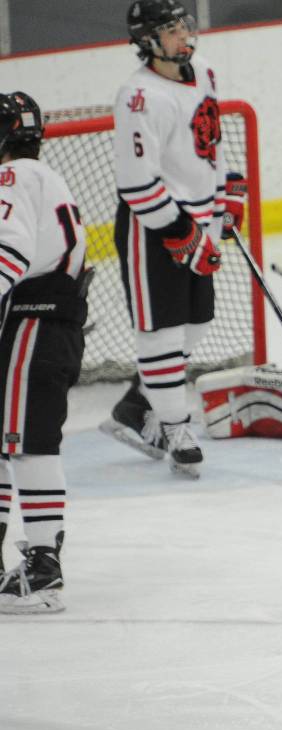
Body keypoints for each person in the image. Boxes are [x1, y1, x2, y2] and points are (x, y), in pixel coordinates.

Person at [101, 0, 239, 479]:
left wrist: (227, 200)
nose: (184, 36)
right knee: (160, 333)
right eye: (171, 30)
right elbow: (137, 184)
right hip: (152, 228)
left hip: (201, 220)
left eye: (185, 26)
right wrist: (184, 233)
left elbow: (211, 144)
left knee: (197, 322)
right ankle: (174, 426)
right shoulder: (137, 97)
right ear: (147, 41)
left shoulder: (203, 71)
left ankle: (136, 405)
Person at [0, 91, 88, 614]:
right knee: (9, 437)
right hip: (42, 322)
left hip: (35, 322)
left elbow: (8, 252)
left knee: (27, 443)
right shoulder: (41, 176)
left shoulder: (11, 178)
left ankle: (41, 567)